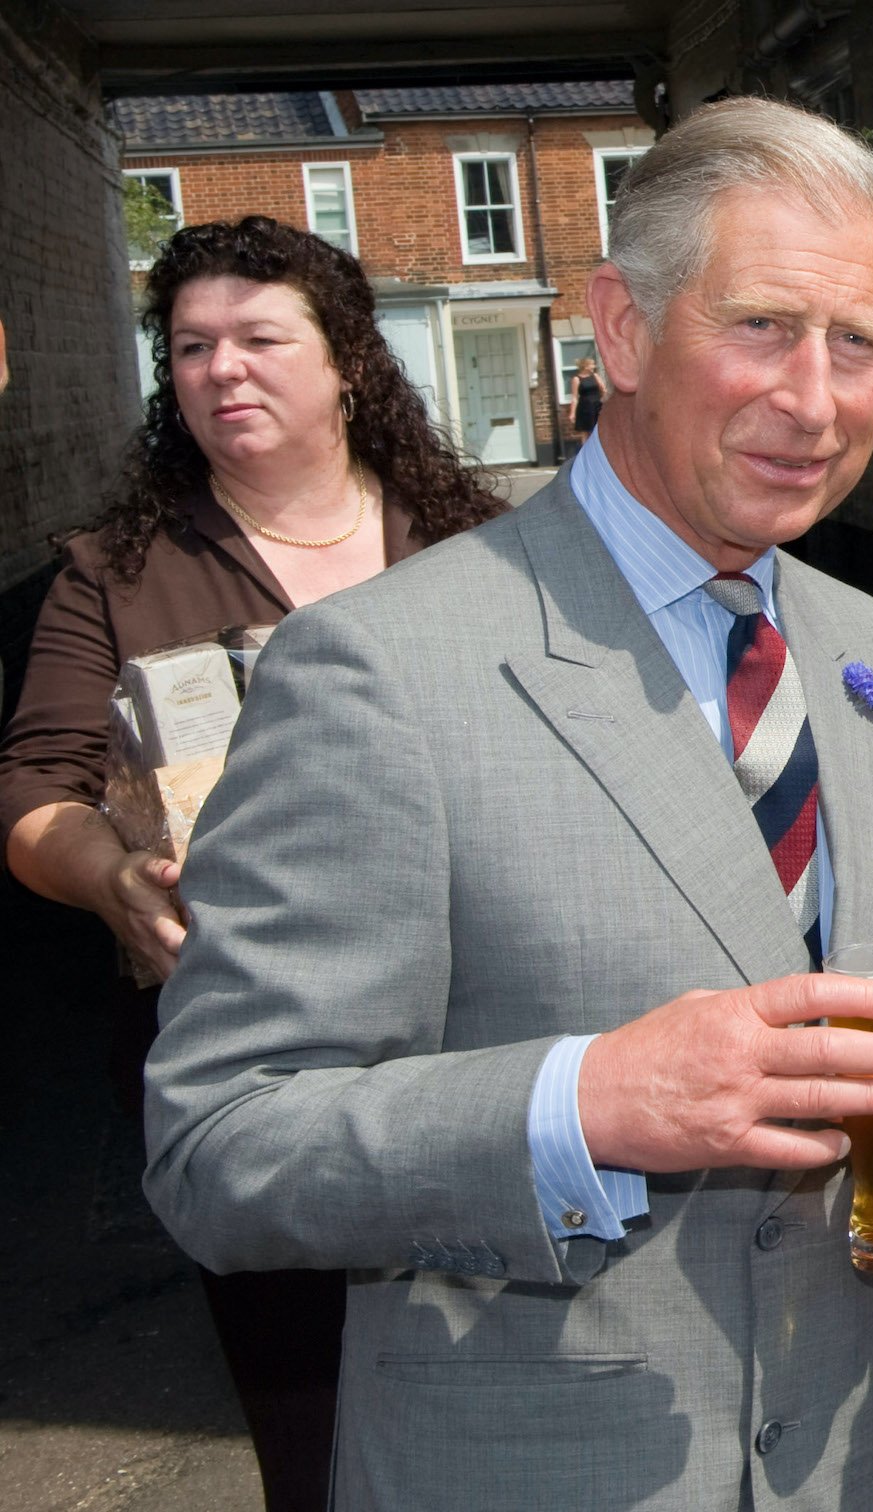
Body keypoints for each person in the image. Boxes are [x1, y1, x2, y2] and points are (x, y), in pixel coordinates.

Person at [141, 97, 873, 1510]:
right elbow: (220, 1145)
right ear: (619, 326)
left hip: (857, 1460)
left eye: (857, 343)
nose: (816, 397)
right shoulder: (379, 670)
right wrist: (584, 1103)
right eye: (761, 327)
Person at [0, 216, 504, 1511]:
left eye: (259, 338)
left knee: (513, 1399)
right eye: (189, 346)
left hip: (487, 1038)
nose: (222, 368)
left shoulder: (478, 548)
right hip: (253, 1062)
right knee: (319, 1433)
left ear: (346, 361)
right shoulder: (114, 575)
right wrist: (106, 873)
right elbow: (34, 791)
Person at [566, 354, 603, 438]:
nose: (594, 366)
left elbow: (603, 389)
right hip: (585, 407)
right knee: (586, 432)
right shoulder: (577, 379)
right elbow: (575, 397)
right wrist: (572, 413)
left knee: (599, 430)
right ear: (585, 366)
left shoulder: (595, 376)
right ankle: (586, 449)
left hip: (597, 405)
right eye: (592, 365)